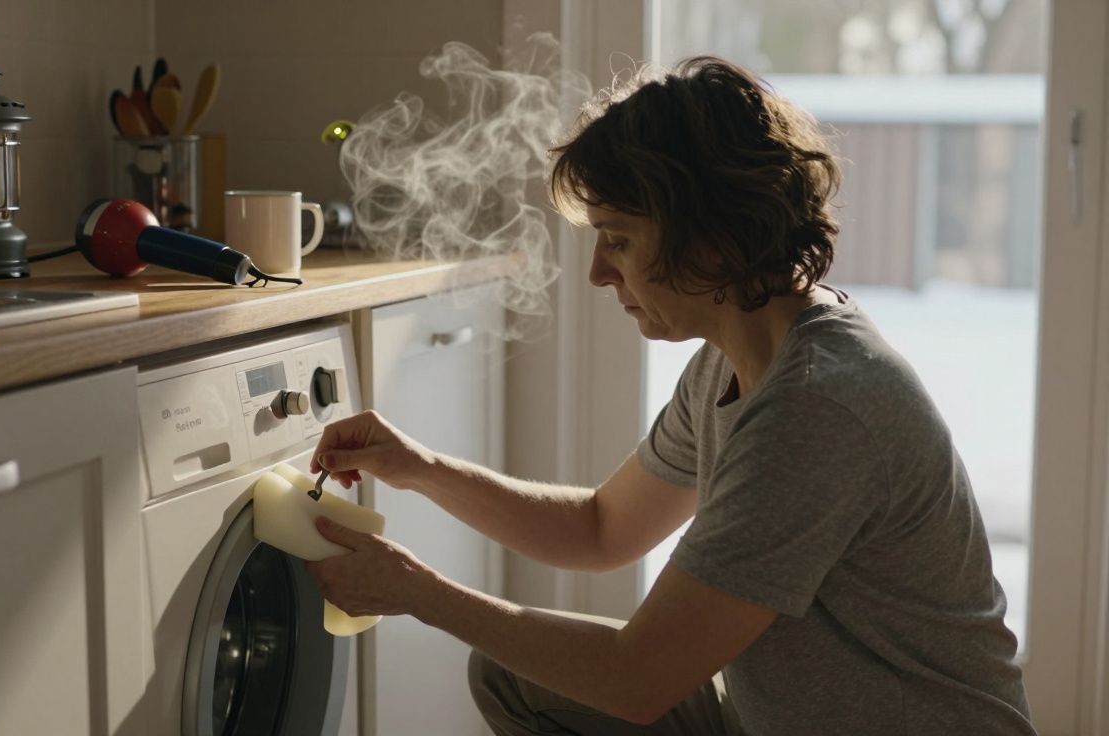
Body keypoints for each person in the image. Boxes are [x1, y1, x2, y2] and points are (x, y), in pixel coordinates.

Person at [305, 56, 1035, 736]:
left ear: (711, 238)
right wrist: (421, 467)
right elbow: (601, 529)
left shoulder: (816, 409)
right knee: (513, 674)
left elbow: (638, 679)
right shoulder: (733, 357)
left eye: (618, 240)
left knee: (570, 671)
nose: (598, 272)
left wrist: (417, 591)